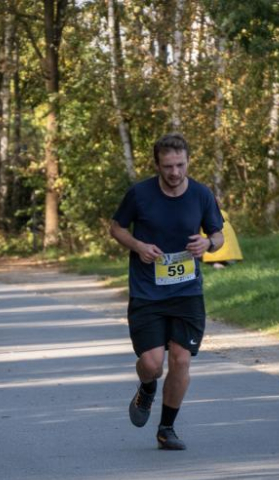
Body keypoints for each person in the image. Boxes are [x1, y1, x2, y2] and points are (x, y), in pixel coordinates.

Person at [110, 133, 224, 451]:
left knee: (181, 359)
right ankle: (147, 388)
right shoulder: (140, 194)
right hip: (148, 292)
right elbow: (116, 227)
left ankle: (166, 428)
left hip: (187, 292)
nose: (175, 172)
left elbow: (218, 235)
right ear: (157, 165)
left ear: (188, 161)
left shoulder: (201, 194)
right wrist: (138, 245)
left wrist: (208, 243)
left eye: (180, 165)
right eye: (168, 166)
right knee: (152, 364)